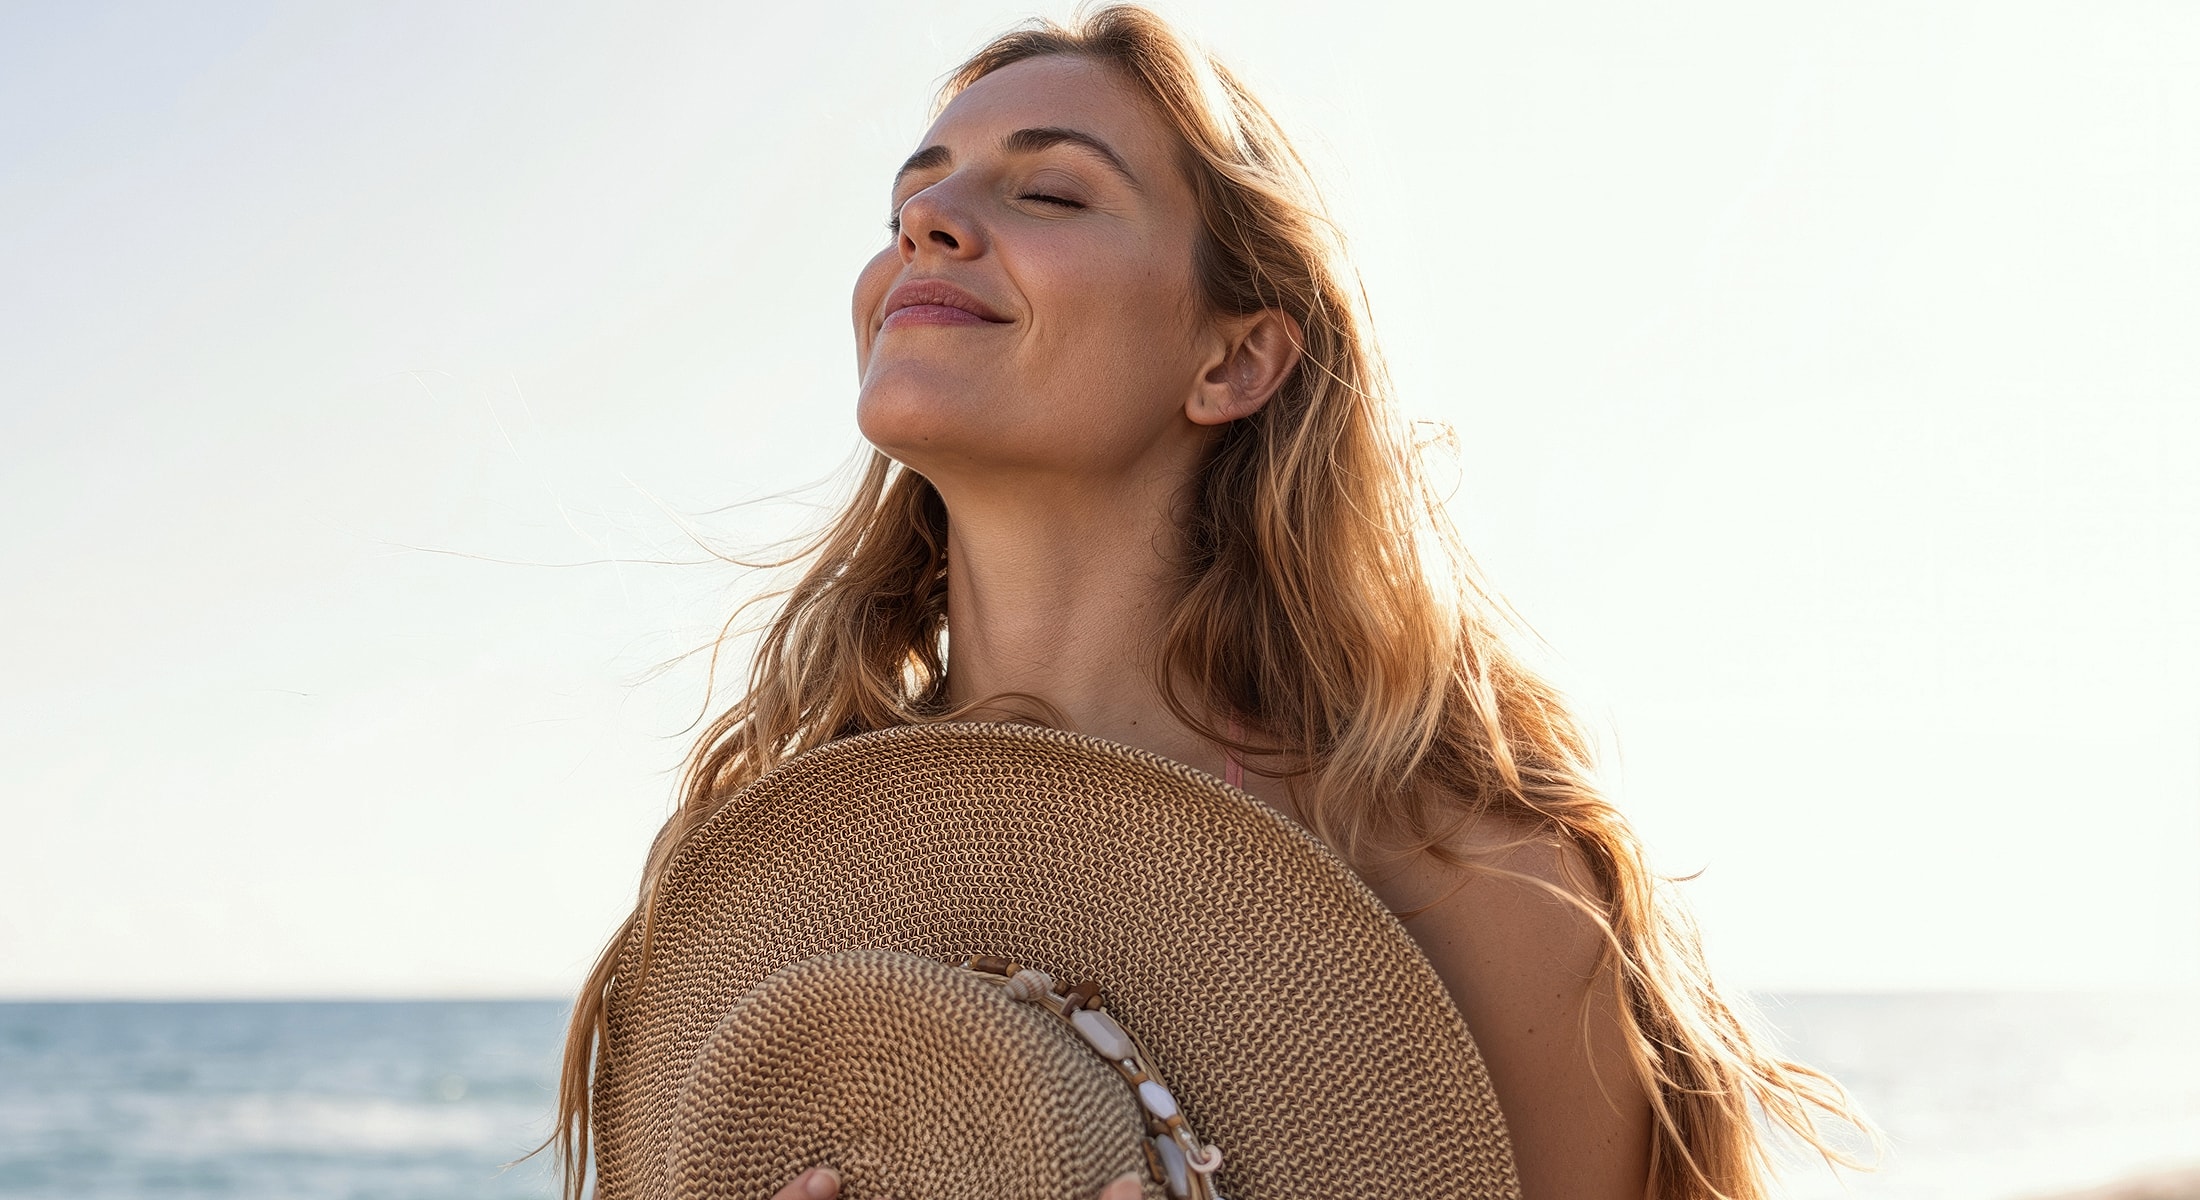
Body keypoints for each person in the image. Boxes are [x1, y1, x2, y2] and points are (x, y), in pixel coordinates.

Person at [554, 7, 1865, 1198]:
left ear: (1235, 357)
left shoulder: (1470, 885)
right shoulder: (767, 889)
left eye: (1052, 190)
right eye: (915, 192)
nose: (927, 223)